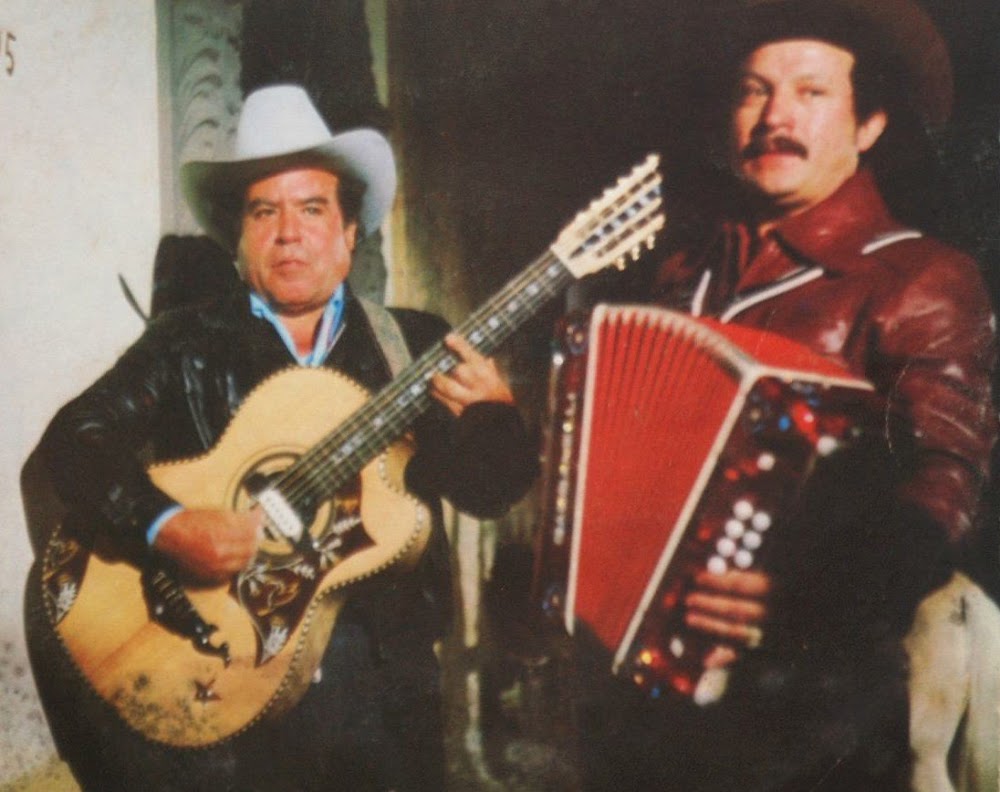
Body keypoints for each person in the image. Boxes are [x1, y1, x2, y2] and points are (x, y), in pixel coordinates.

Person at [26, 84, 536, 792]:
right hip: (233, 702)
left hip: (386, 708)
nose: (288, 232)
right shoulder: (185, 345)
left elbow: (488, 492)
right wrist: (166, 525)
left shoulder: (411, 347)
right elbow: (73, 440)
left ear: (350, 233)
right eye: (264, 211)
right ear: (240, 238)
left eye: (312, 208)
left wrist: (497, 417)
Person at [567, 1, 997, 790]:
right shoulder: (684, 274)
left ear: (870, 126)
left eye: (811, 92)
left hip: (814, 710)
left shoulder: (920, 277)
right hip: (651, 687)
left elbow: (944, 489)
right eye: (754, 91)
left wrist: (804, 600)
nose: (775, 117)